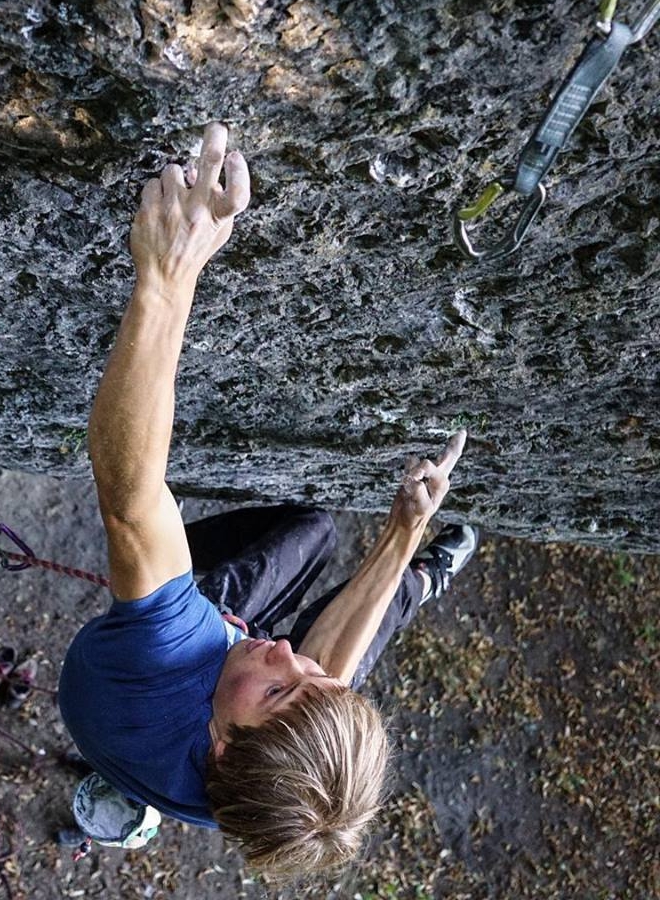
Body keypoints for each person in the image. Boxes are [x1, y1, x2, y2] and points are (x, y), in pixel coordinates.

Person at [57, 122, 478, 877]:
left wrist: (167, 275)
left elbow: (130, 497)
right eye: (305, 680)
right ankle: (415, 573)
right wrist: (402, 532)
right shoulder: (263, 795)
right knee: (326, 556)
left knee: (309, 539)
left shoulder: (170, 656)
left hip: (154, 673)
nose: (288, 654)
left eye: (279, 688)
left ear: (220, 744)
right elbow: (325, 676)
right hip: (184, 715)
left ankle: (416, 585)